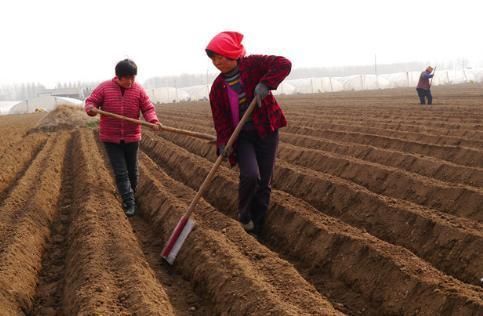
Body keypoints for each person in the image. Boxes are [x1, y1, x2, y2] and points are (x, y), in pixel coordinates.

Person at [206, 31, 291, 236]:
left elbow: (283, 63)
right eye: (213, 59)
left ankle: (257, 226)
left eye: (221, 56)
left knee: (265, 182)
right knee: (251, 175)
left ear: (232, 53)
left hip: (266, 130)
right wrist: (223, 142)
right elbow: (221, 120)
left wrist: (266, 83)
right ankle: (244, 214)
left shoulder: (253, 64)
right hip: (242, 137)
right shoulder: (217, 88)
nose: (217, 62)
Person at [84, 59, 160, 216]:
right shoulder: (105, 88)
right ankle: (129, 201)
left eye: (133, 77)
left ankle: (132, 195)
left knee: (132, 170)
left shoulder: (138, 90)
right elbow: (91, 102)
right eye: (127, 78)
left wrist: (153, 120)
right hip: (111, 138)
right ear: (118, 77)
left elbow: (147, 107)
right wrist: (91, 109)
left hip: (132, 137)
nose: (131, 81)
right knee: (121, 172)